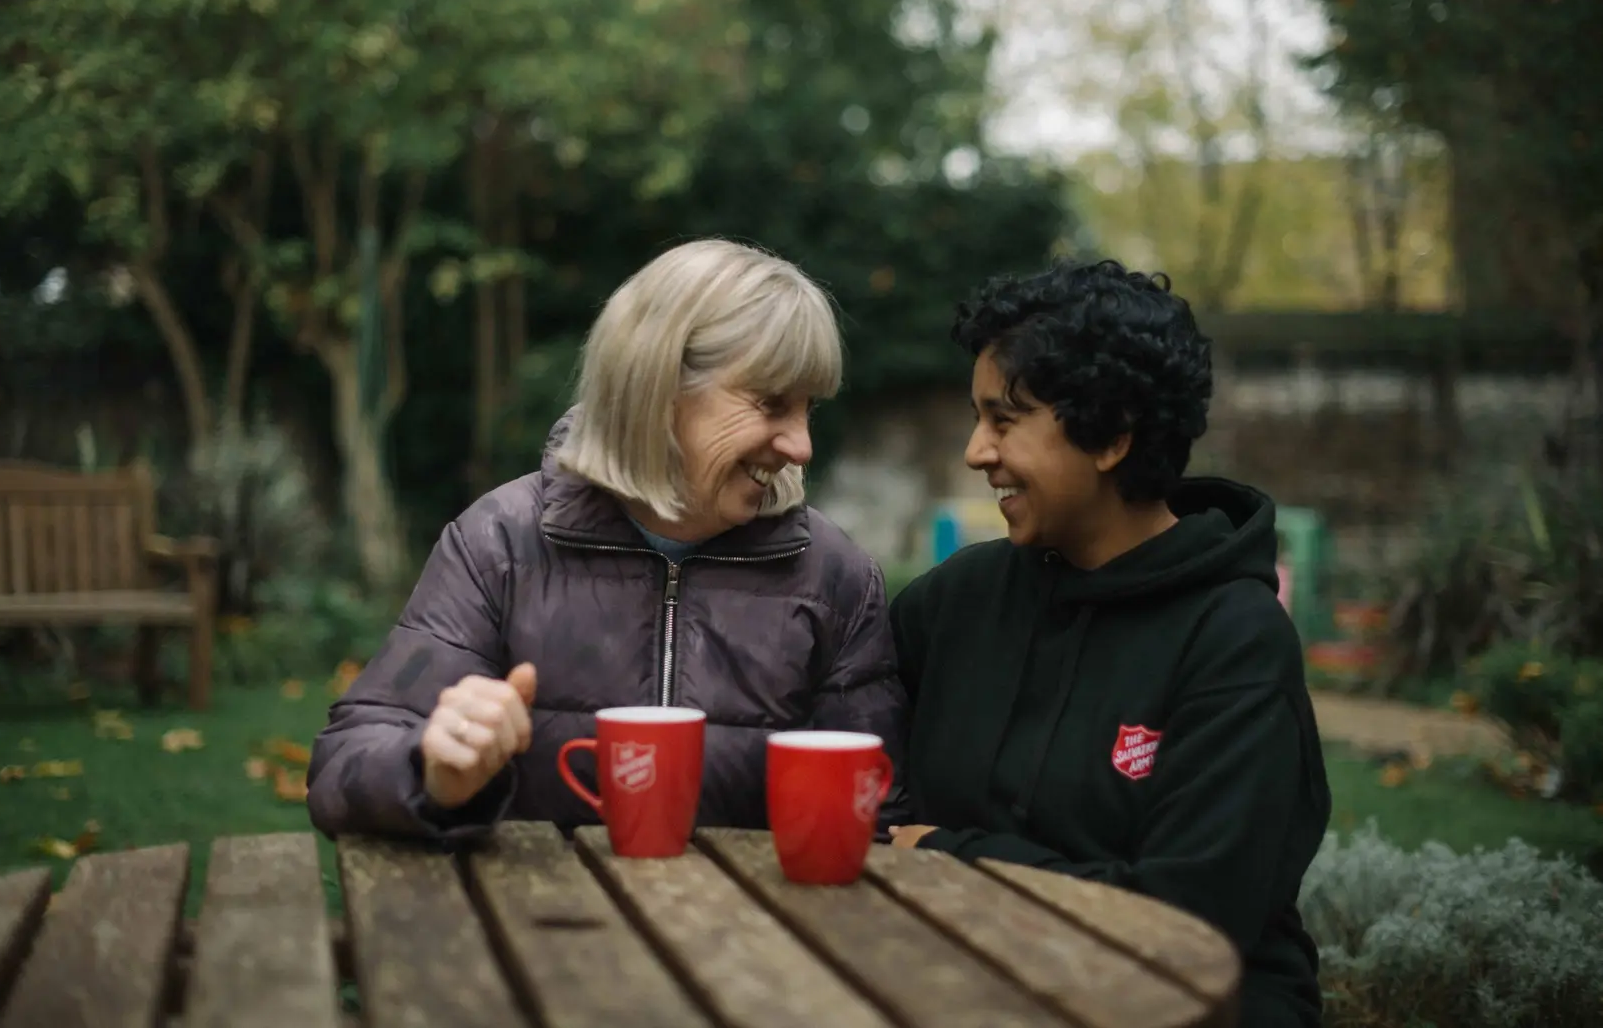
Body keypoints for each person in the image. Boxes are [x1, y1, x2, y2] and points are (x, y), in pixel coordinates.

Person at [307, 238, 909, 840]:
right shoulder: (501, 544)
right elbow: (343, 766)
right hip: (535, 925)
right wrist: (433, 772)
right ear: (658, 387)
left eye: (808, 410)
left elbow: (880, 814)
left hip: (750, 932)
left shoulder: (836, 578)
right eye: (771, 403)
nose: (801, 447)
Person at [886, 259, 1332, 1027]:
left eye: (1003, 419)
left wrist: (949, 856)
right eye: (976, 416)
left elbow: (1184, 919)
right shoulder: (955, 602)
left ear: (1111, 436)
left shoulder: (1234, 641)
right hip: (965, 986)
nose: (974, 451)